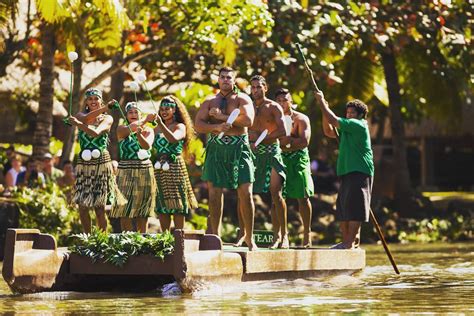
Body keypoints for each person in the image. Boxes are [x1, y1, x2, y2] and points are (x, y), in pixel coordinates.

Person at [194, 66, 257, 250]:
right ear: (218, 79)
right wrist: (215, 128)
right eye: (222, 77)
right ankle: (215, 237)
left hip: (239, 149)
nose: (226, 80)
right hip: (216, 150)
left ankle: (249, 237)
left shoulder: (242, 99)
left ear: (234, 79)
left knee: (246, 192)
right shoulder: (209, 101)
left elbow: (248, 121)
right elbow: (198, 124)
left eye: (229, 77)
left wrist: (222, 117)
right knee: (214, 194)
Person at [315, 91, 374, 249]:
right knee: (344, 206)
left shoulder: (358, 125)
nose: (348, 115)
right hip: (347, 171)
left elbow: (333, 120)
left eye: (352, 113)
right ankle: (350, 242)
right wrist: (323, 110)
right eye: (347, 112)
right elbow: (329, 130)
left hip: (359, 170)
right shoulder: (347, 128)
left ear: (361, 115)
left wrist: (321, 102)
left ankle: (349, 242)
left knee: (355, 206)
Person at [68, 88, 125, 233]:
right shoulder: (81, 115)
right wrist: (80, 122)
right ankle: (88, 239)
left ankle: (102, 240)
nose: (93, 101)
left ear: (101, 101)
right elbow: (86, 119)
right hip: (84, 164)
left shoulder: (107, 118)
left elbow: (95, 133)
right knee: (82, 207)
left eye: (96, 99)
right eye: (90, 99)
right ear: (86, 102)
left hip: (101, 162)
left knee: (99, 208)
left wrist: (79, 125)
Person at [248, 75, 287, 249]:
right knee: (245, 193)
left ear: (265, 87)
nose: (255, 90)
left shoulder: (273, 106)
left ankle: (282, 235)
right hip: (253, 154)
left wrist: (262, 140)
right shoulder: (247, 106)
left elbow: (283, 130)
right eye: (253, 87)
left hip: (271, 152)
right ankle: (244, 235)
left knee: (276, 194)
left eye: (258, 87)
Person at [152, 96, 198, 231]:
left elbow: (172, 139)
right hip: (159, 167)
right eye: (161, 109)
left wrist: (160, 124)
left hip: (174, 166)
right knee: (162, 204)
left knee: (177, 203)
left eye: (167, 109)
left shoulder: (180, 126)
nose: (164, 111)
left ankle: (179, 238)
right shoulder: (156, 129)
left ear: (174, 110)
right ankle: (165, 238)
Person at [109, 102, 157, 233]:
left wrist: (140, 135)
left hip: (144, 169)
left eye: (136, 112)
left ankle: (142, 239)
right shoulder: (121, 129)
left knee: (143, 209)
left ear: (140, 114)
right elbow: (130, 129)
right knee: (125, 208)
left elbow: (147, 146)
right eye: (130, 112)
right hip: (125, 169)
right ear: (126, 115)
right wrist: (146, 120)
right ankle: (127, 239)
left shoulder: (149, 130)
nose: (133, 114)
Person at [275, 88, 314, 248]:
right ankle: (281, 235)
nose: (282, 103)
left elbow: (304, 141)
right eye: (279, 101)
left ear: (291, 100)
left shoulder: (301, 118)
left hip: (299, 159)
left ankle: (307, 233)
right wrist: (288, 141)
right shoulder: (273, 119)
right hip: (279, 158)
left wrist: (286, 142)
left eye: (285, 100)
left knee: (302, 196)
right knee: (276, 197)